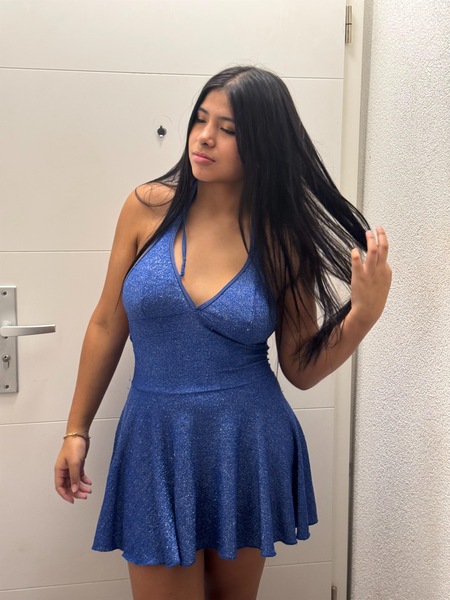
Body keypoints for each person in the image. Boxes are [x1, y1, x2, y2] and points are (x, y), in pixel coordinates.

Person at [54, 65, 392, 600]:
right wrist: (76, 429)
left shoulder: (280, 239)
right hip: (156, 439)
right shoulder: (145, 207)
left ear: (263, 144)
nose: (204, 137)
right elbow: (106, 322)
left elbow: (301, 368)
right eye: (200, 119)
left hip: (246, 440)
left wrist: (362, 317)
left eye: (228, 129)